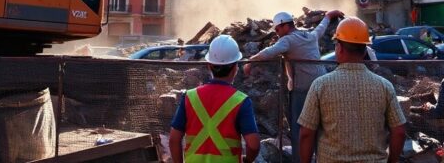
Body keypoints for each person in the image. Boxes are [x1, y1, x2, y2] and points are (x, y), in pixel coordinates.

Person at [298, 16, 406, 163]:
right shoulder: (384, 86)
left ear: (340, 48)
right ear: (364, 51)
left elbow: (306, 134)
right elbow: (399, 132)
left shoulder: (320, 85)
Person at [243, 9, 344, 159]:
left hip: (302, 90)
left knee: (299, 129)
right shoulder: (309, 35)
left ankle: (299, 159)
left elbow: (270, 51)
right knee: (321, 128)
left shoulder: (288, 40)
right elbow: (321, 28)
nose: (276, 33)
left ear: (285, 26)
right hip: (322, 86)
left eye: (277, 29)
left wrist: (250, 61)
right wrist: (329, 16)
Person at [169, 35, 260, 163]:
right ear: (235, 68)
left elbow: (174, 139)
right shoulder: (241, 101)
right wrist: (248, 160)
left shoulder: (189, 96)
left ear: (209, 66)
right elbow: (253, 144)